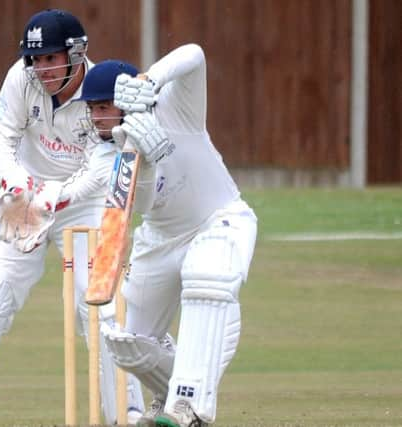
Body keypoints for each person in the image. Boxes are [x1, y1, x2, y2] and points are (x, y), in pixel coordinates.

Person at [0, 9, 144, 427]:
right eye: (36, 59)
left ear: (76, 53)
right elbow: (1, 136)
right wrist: (20, 188)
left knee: (99, 307)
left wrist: (54, 198)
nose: (41, 69)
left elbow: (98, 169)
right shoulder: (20, 77)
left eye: (51, 59)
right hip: (28, 192)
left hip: (85, 199)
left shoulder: (100, 90)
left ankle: (128, 412)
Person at [78, 45, 258, 427]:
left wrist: (150, 80)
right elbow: (141, 201)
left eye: (103, 106)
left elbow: (195, 55)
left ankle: (189, 408)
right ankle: (169, 394)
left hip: (218, 220)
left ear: (129, 98)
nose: (96, 117)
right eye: (91, 108)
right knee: (127, 345)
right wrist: (142, 152)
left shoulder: (177, 108)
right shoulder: (103, 154)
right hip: (159, 238)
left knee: (207, 277)